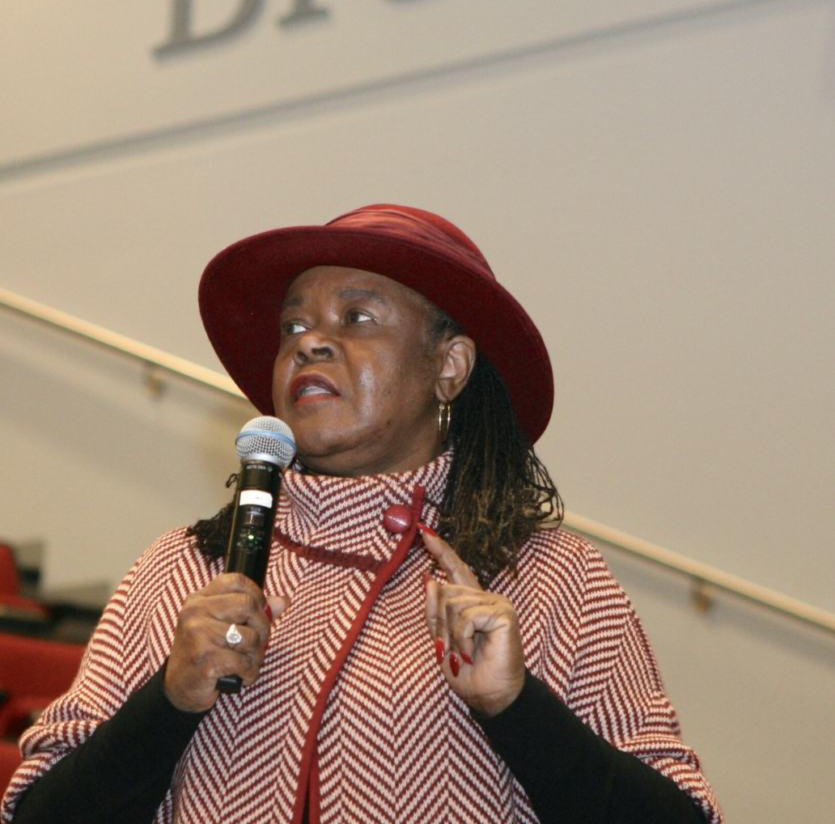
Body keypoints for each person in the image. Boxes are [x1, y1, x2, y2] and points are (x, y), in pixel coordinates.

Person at [2, 205, 723, 824]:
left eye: (357, 317)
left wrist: (516, 706)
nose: (308, 341)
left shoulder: (553, 578)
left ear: (449, 367)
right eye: (293, 325)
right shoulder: (182, 569)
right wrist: (168, 701)